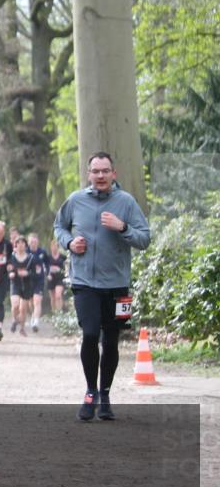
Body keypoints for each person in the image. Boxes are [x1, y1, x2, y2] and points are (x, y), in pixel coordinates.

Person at [54, 151, 150, 422]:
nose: (100, 176)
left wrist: (122, 228)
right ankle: (90, 392)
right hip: (85, 283)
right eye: (95, 171)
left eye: (105, 171)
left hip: (119, 285)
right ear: (89, 174)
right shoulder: (75, 200)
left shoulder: (126, 202)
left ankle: (105, 395)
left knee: (111, 340)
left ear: (113, 174)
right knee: (90, 334)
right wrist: (70, 243)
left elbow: (144, 239)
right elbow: (59, 226)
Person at [8, 236, 35, 336]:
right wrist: (10, 273)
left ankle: (22, 328)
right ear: (15, 245)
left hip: (26, 284)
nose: (20, 245)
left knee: (23, 309)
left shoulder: (30, 258)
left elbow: (35, 273)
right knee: (15, 305)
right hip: (15, 283)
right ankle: (15, 320)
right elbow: (8, 268)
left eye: (22, 243)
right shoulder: (11, 257)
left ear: (25, 245)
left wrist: (27, 273)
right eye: (18, 243)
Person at [27, 233, 49, 332]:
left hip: (39, 280)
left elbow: (47, 263)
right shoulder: (26, 252)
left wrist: (46, 272)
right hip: (28, 280)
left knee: (37, 301)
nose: (33, 244)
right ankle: (33, 315)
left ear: (38, 242)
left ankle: (36, 322)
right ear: (28, 242)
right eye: (31, 242)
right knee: (31, 303)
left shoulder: (42, 252)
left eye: (35, 242)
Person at [46, 238, 68, 313]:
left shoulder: (62, 257)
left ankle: (60, 313)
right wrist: (47, 274)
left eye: (55, 246)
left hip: (60, 278)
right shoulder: (48, 257)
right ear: (50, 247)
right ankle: (54, 313)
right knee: (53, 298)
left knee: (58, 295)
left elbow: (67, 266)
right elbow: (45, 268)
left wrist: (65, 272)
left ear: (58, 247)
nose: (54, 248)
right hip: (51, 278)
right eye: (52, 246)